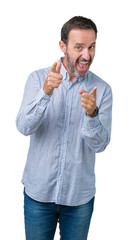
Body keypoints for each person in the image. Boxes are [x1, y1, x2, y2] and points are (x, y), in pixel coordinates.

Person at [16, 16, 112, 240]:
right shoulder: (38, 79)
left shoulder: (102, 90)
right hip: (39, 195)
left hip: (78, 198)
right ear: (63, 46)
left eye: (91, 47)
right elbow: (23, 127)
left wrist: (92, 114)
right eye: (79, 47)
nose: (86, 55)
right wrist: (45, 93)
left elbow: (100, 146)